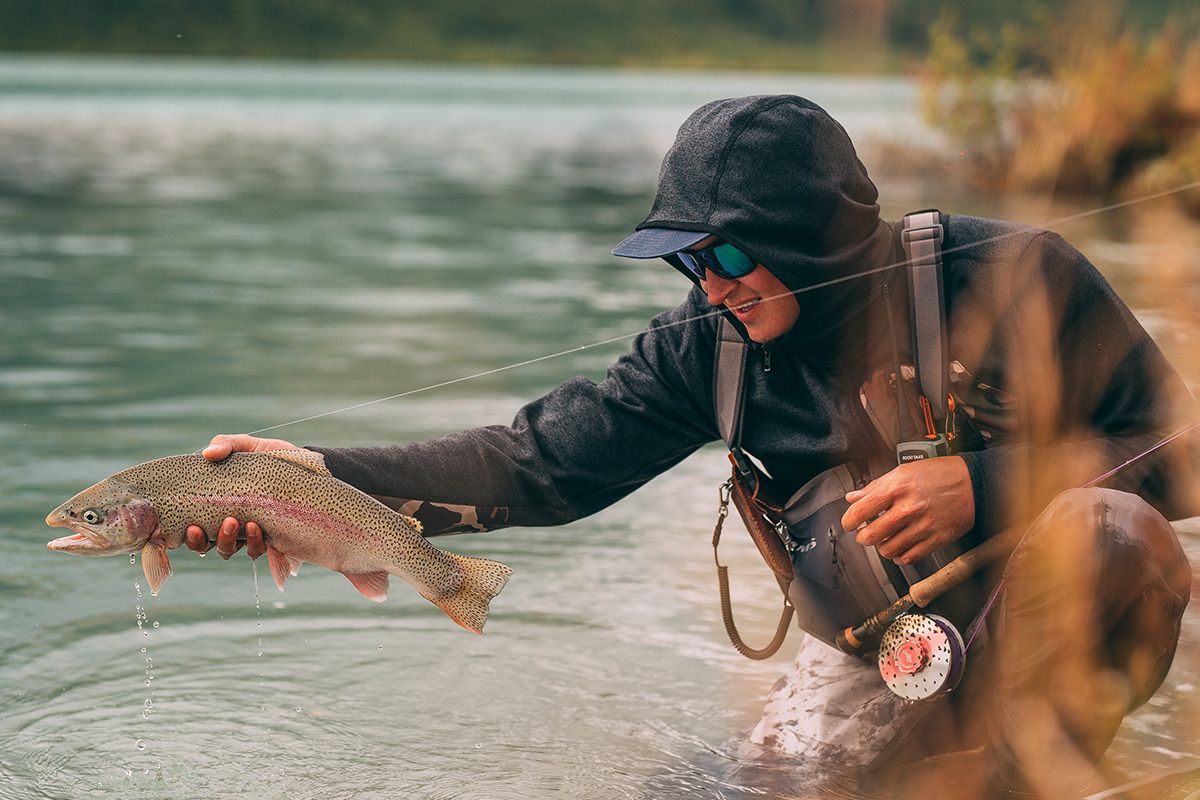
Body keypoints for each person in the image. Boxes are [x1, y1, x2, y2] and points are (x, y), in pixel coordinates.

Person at [187, 95, 1194, 796]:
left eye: (721, 252)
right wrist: (313, 477)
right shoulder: (707, 345)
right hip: (866, 662)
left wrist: (988, 485)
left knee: (1113, 533)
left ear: (807, 232)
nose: (705, 284)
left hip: (1046, 627)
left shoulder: (1015, 278)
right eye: (683, 256)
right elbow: (532, 463)